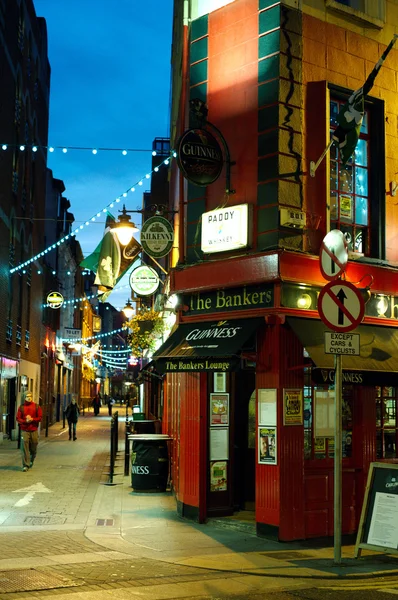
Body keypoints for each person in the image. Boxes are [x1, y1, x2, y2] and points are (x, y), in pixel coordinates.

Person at [16, 391, 43, 472]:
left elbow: (40, 417)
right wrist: (25, 421)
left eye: (30, 396)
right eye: (27, 396)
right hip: (24, 430)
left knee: (33, 448)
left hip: (34, 430)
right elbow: (18, 418)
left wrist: (32, 419)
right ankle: (25, 465)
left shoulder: (36, 407)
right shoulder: (21, 407)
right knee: (24, 448)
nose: (29, 397)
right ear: (24, 397)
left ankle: (31, 459)